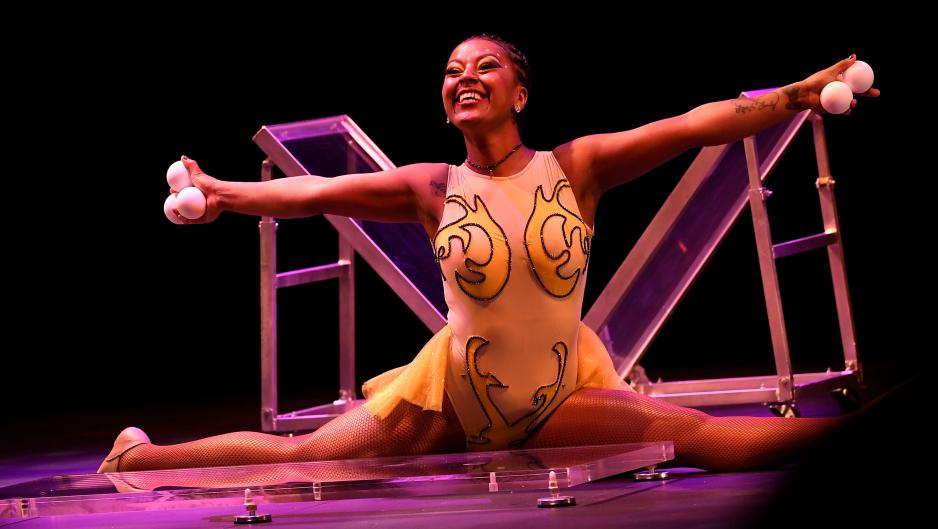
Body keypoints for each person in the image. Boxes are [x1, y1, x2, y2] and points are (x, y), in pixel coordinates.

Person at [98, 34, 879, 479]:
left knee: (692, 435)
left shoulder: (577, 167)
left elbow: (691, 125)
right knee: (303, 461)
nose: (463, 78)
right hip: (455, 394)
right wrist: (224, 192)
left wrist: (794, 95)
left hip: (553, 394)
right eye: (450, 71)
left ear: (520, 95)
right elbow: (312, 194)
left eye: (483, 68)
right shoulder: (430, 185)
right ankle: (138, 456)